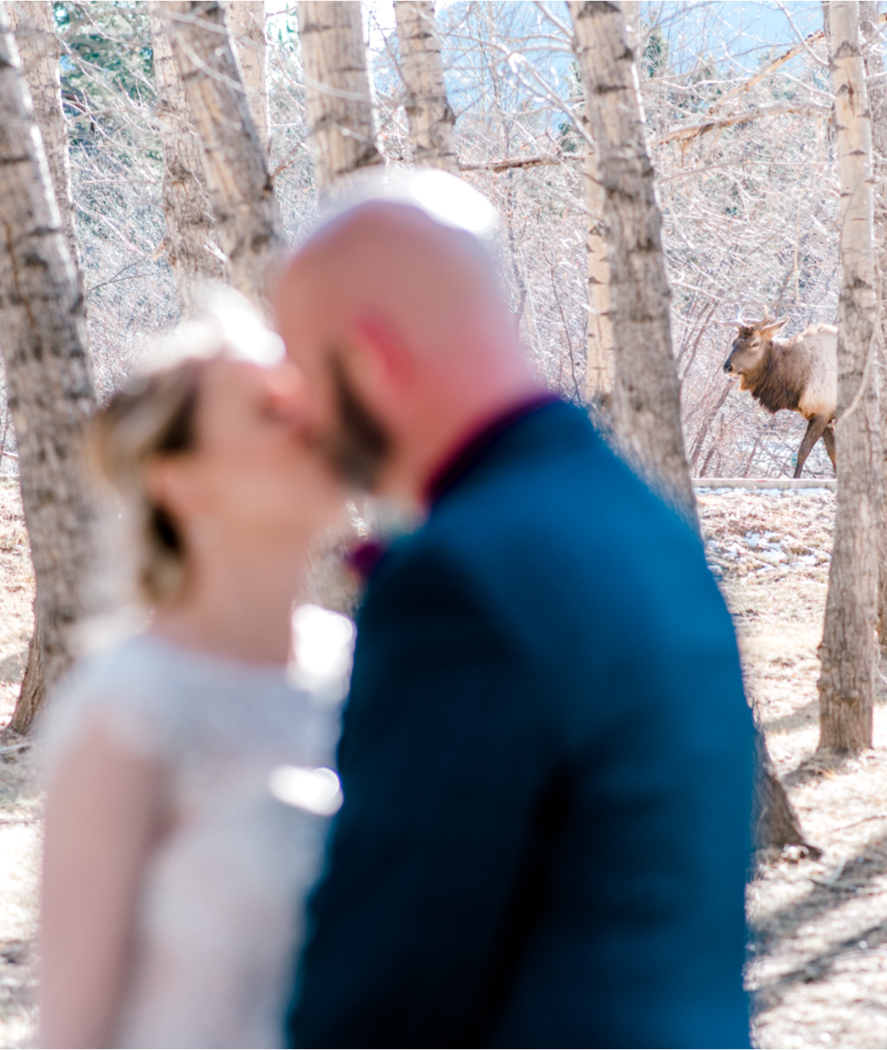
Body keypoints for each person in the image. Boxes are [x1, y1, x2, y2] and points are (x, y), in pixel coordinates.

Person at [279, 169, 756, 1048]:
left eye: (307, 373)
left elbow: (387, 985)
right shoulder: (643, 526)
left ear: (372, 357)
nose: (305, 418)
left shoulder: (459, 583)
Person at [36, 298, 356, 1048]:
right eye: (270, 410)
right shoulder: (128, 712)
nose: (318, 422)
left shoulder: (363, 668)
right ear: (181, 481)